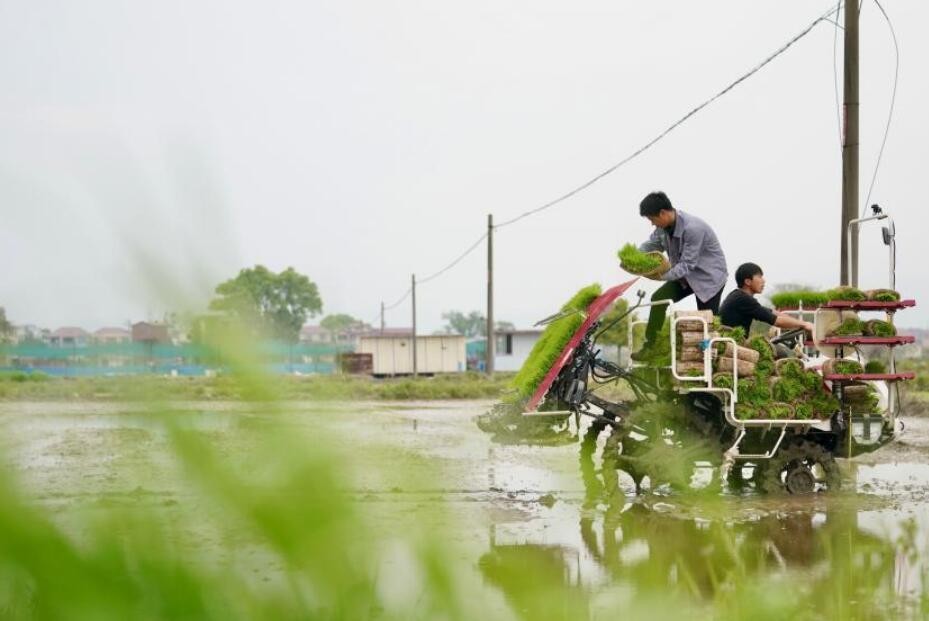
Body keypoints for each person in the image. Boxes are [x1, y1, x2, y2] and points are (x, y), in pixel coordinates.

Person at [630, 191, 728, 360]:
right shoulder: (663, 228)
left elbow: (687, 264)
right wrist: (633, 257)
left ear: (663, 213)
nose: (652, 224)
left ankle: (712, 363)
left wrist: (660, 276)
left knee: (707, 322)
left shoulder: (693, 228)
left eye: (652, 219)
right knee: (658, 299)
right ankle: (651, 347)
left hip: (708, 279)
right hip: (684, 277)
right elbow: (650, 245)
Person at [719, 262, 814, 348]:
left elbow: (773, 313)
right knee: (784, 352)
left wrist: (799, 323)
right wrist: (804, 324)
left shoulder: (739, 296)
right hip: (733, 346)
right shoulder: (742, 299)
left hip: (734, 343)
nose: (763, 281)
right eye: (759, 277)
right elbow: (777, 321)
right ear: (748, 282)